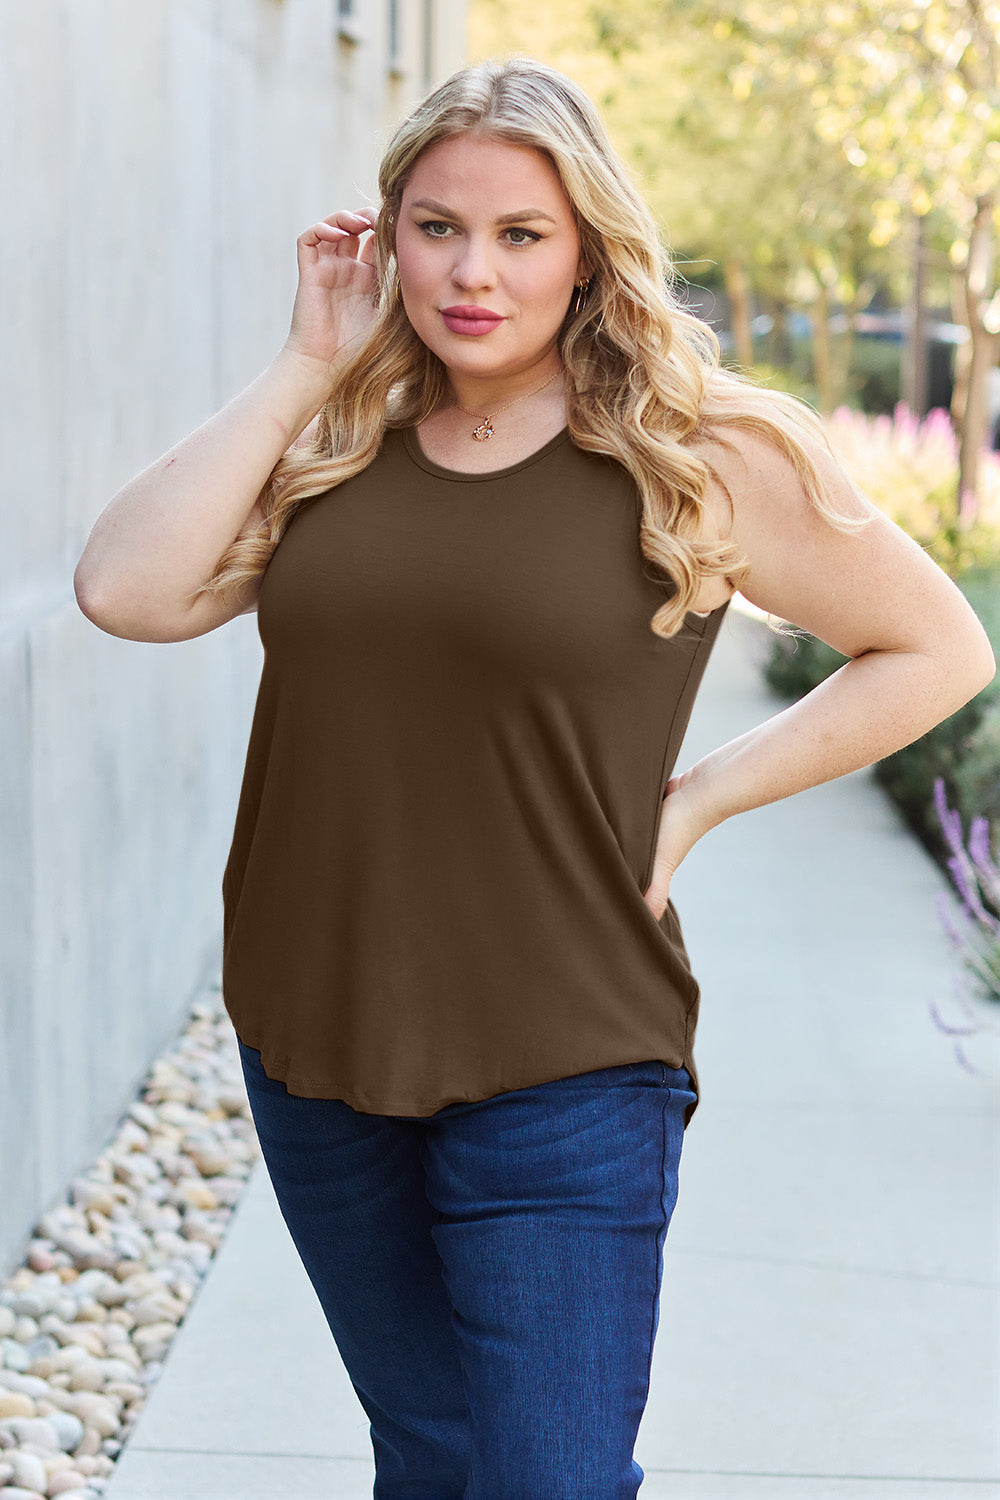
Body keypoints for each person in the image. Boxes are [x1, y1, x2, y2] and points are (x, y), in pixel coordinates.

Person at [73, 53, 994, 1500]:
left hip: (570, 1052)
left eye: (520, 235)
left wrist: (696, 798)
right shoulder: (335, 438)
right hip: (317, 1035)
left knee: (549, 1481)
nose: (472, 273)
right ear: (386, 240)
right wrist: (305, 363)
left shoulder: (701, 451)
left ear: (587, 253)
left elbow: (935, 648)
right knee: (433, 1459)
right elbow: (124, 590)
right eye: (436, 228)